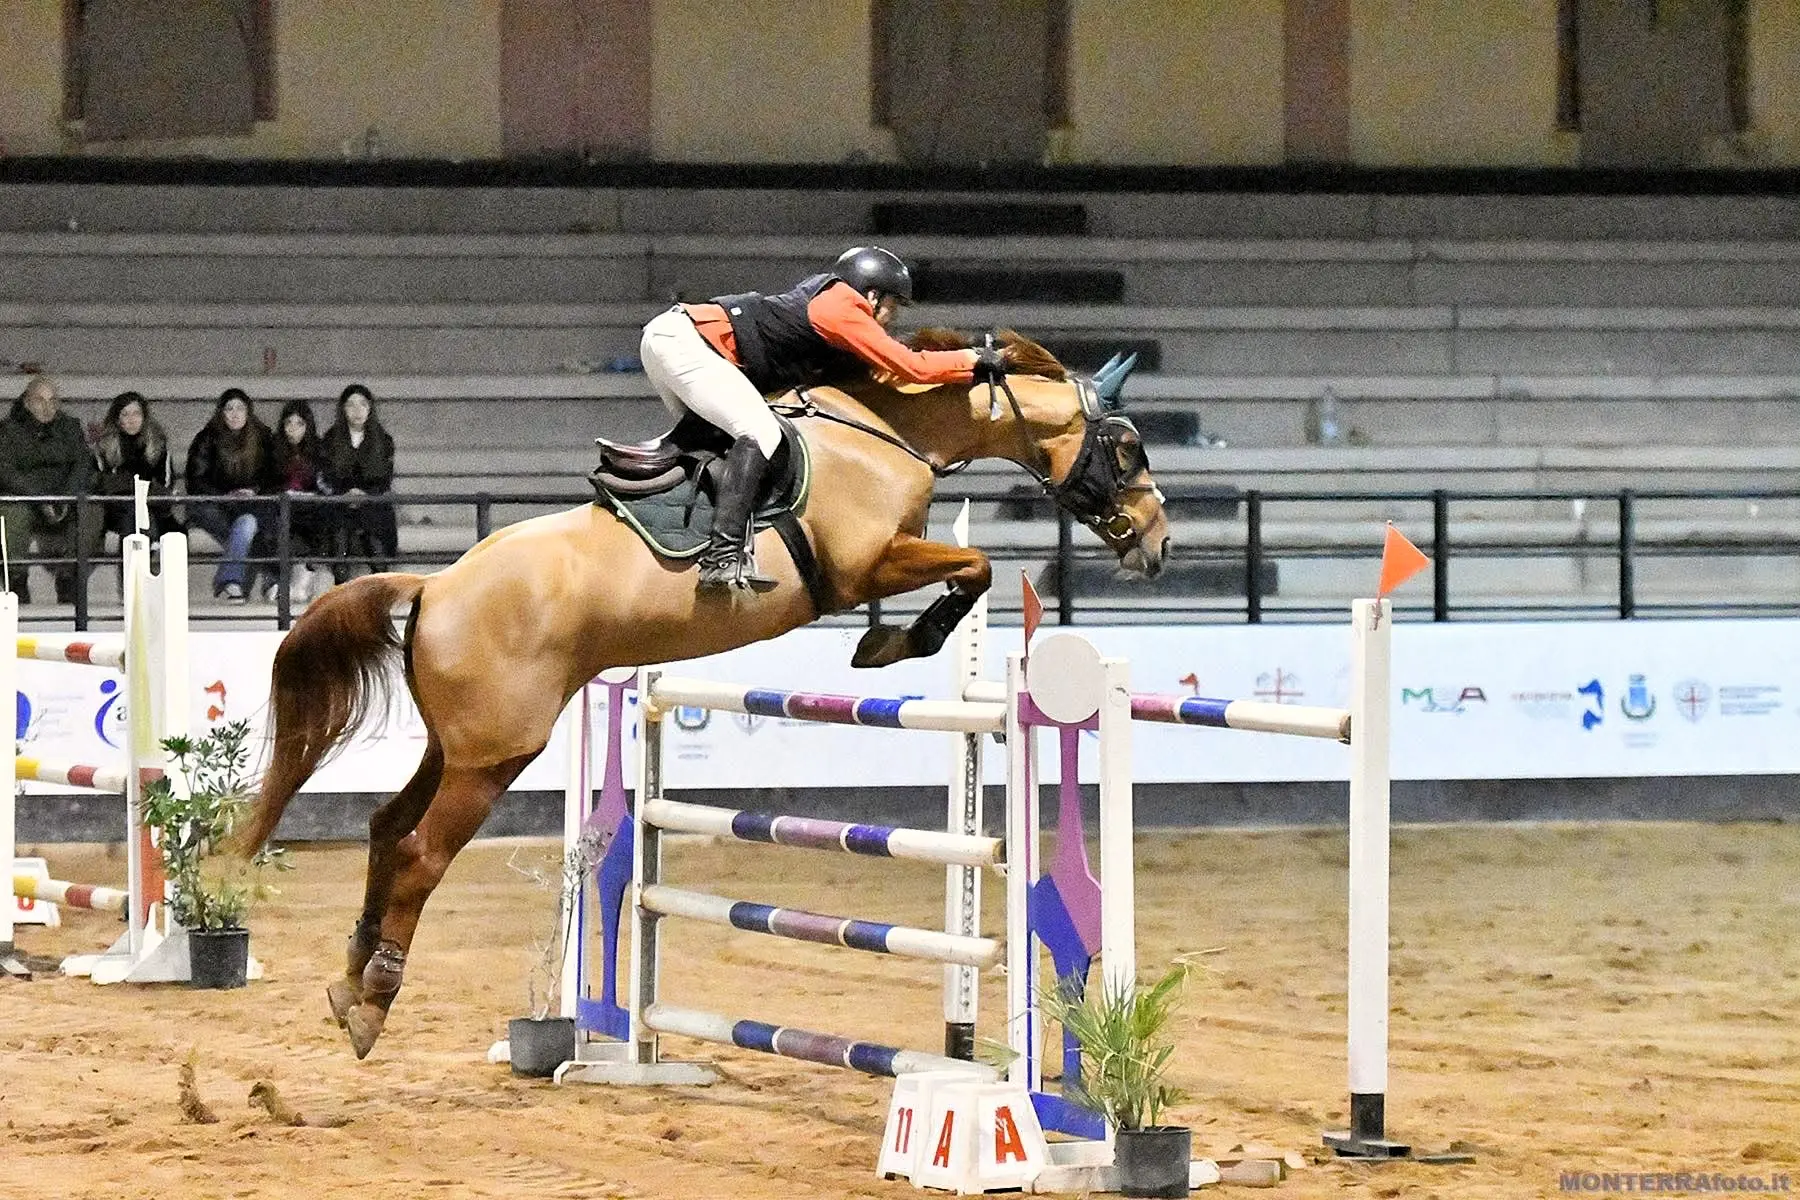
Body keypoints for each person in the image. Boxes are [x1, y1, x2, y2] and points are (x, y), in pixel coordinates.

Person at [638, 245, 1010, 590]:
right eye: (892, 307)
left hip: (674, 341)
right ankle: (721, 558)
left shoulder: (830, 305)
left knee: (718, 444)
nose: (890, 319)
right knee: (762, 433)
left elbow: (885, 373)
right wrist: (972, 361)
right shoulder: (842, 307)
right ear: (872, 295)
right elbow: (909, 366)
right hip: (686, 343)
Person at [0, 375, 104, 605]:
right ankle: (16, 579)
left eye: (52, 401)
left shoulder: (71, 426)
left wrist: (64, 498)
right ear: (27, 403)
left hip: (64, 496)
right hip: (24, 498)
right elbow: (5, 471)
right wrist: (40, 499)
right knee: (11, 514)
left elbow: (82, 464)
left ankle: (69, 576)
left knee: (93, 511)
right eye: (40, 400)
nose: (46, 407)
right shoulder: (8, 430)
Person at [183, 387, 277, 603]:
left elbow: (272, 477)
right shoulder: (206, 439)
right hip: (212, 504)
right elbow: (196, 481)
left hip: (249, 506)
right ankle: (271, 578)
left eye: (240, 408)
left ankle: (230, 581)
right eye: (229, 409)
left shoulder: (263, 438)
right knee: (247, 528)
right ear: (221, 413)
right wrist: (226, 495)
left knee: (247, 524)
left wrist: (253, 491)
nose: (235, 414)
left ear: (248, 412)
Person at [319, 384, 398, 583]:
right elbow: (327, 477)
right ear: (343, 410)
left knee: (374, 526)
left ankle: (382, 582)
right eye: (351, 405)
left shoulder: (383, 440)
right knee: (339, 527)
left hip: (371, 501)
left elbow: (384, 480)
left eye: (363, 404)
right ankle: (341, 585)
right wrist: (346, 493)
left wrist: (364, 495)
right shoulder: (331, 439)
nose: (357, 411)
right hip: (341, 502)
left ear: (370, 408)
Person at [92, 391, 181, 542]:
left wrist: (139, 490)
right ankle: (134, 562)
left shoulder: (157, 444)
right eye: (125, 414)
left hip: (152, 505)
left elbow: (165, 484)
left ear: (144, 417)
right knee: (134, 516)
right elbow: (103, 484)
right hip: (117, 509)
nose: (131, 420)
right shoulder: (105, 446)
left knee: (172, 530)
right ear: (117, 419)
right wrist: (134, 488)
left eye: (136, 414)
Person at [269, 398, 331, 604]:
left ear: (308, 426)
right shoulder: (274, 451)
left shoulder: (319, 450)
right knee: (279, 522)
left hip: (311, 508)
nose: (293, 429)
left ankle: (304, 577)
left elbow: (324, 485)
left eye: (299, 424)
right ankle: (297, 580)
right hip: (283, 507)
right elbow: (267, 484)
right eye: (288, 423)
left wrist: (312, 495)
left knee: (320, 519)